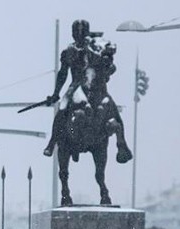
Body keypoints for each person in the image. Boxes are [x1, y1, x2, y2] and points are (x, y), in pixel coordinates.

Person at [43, 19, 131, 162]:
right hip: (75, 86)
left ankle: (122, 144)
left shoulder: (93, 48)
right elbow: (63, 73)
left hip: (94, 85)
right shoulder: (68, 51)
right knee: (63, 107)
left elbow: (106, 63)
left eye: (82, 32)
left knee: (112, 106)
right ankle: (52, 143)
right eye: (77, 32)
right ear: (73, 34)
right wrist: (56, 94)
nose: (79, 35)